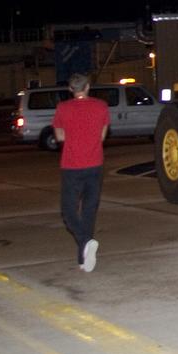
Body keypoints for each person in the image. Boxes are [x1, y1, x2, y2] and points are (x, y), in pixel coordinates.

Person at [52, 72, 109, 272]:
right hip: (95, 165)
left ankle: (85, 244)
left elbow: (59, 136)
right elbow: (102, 136)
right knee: (88, 211)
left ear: (70, 89)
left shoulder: (63, 108)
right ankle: (83, 260)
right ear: (87, 87)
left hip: (71, 166)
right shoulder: (101, 106)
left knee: (68, 212)